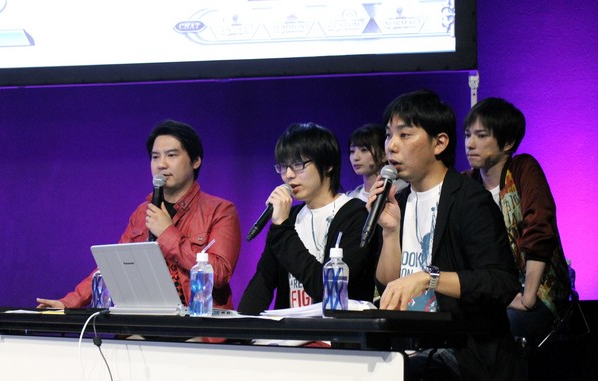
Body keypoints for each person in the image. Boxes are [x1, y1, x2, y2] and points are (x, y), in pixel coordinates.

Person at [368, 90, 525, 381]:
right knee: (353, 372)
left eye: (404, 135)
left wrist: (430, 278)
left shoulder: (470, 201)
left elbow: (501, 282)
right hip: (409, 345)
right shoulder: (399, 200)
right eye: (388, 135)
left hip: (462, 352)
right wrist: (390, 232)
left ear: (439, 143)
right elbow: (388, 283)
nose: (391, 146)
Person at [37, 119, 242, 310]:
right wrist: (68, 302)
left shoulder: (220, 210)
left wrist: (167, 233)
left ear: (196, 160)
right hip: (146, 318)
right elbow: (114, 266)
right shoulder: (142, 212)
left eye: (171, 155)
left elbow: (220, 273)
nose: (161, 164)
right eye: (155, 156)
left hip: (196, 323)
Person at [238, 122, 377, 315]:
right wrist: (238, 325)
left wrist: (282, 228)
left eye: (298, 165)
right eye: (283, 166)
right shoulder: (290, 217)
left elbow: (324, 288)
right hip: (290, 330)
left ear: (328, 165)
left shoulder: (356, 216)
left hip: (334, 331)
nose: (288, 175)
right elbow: (262, 283)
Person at [463, 97, 571, 343]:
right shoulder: (467, 184)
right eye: (468, 135)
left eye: (481, 135)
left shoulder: (523, 169)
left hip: (537, 290)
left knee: (500, 328)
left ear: (508, 142)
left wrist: (528, 296)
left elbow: (540, 228)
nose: (470, 144)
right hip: (489, 292)